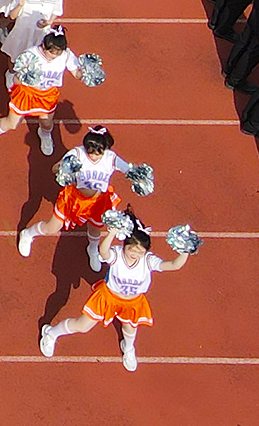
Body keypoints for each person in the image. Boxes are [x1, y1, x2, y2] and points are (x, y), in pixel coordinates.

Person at [40, 219, 194, 370]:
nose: (135, 254)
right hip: (108, 297)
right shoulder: (117, 254)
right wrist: (112, 232)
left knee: (130, 329)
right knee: (83, 325)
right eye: (131, 249)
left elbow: (174, 265)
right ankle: (51, 333)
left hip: (133, 303)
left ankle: (128, 349)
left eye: (140, 251)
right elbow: (103, 251)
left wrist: (185, 250)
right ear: (125, 245)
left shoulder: (148, 261)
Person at [18, 126, 140, 267]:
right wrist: (64, 168)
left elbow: (129, 170)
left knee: (95, 228)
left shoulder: (110, 158)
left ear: (104, 149)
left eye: (97, 154)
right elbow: (54, 168)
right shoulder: (77, 153)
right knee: (52, 227)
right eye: (90, 152)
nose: (93, 156)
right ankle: (28, 234)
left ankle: (92, 249)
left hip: (98, 201)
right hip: (73, 198)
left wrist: (140, 177)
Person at [0, 27, 90, 157]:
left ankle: (44, 134)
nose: (54, 56)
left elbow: (76, 73)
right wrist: (26, 80)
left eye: (58, 53)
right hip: (27, 93)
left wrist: (86, 74)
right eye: (51, 52)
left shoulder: (66, 55)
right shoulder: (30, 55)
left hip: (47, 94)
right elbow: (16, 78)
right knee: (12, 123)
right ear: (43, 46)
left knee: (47, 123)